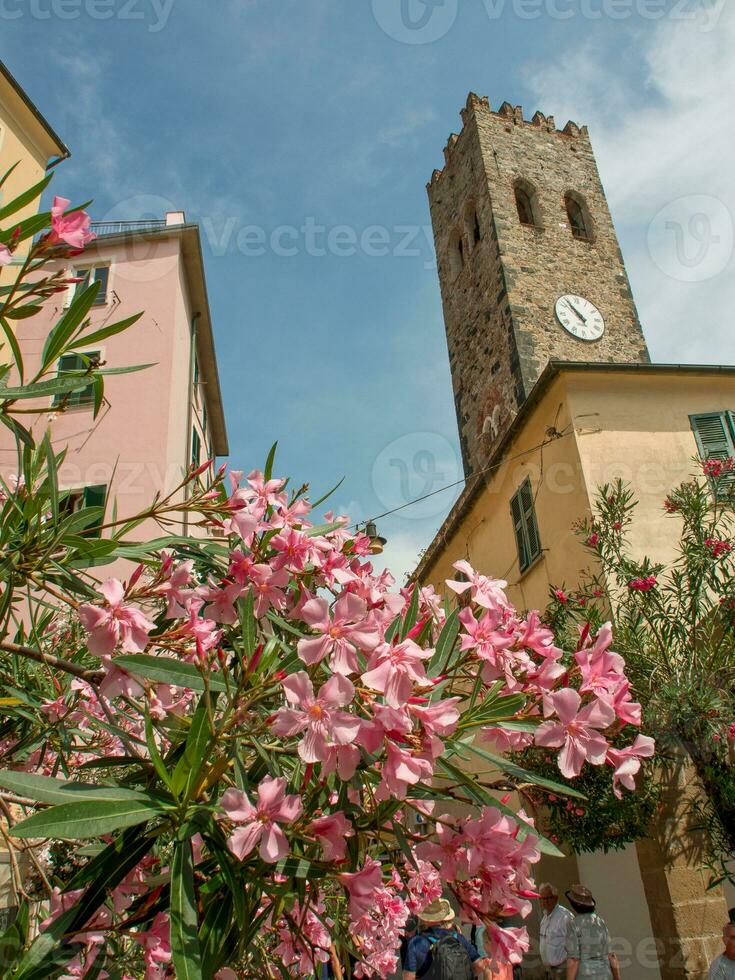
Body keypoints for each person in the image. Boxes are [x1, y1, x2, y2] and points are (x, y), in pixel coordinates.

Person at [403, 898, 484, 979]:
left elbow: (408, 977)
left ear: (424, 919)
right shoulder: (458, 937)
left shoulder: (417, 942)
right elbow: (480, 966)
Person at [563, 885, 620, 980]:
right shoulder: (600, 923)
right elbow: (611, 955)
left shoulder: (574, 925)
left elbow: (574, 959)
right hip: (605, 975)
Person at [538, 882, 573, 980]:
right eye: (542, 898)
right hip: (549, 971)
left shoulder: (565, 917)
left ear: (555, 898)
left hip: (563, 970)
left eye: (548, 898)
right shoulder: (544, 919)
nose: (545, 901)